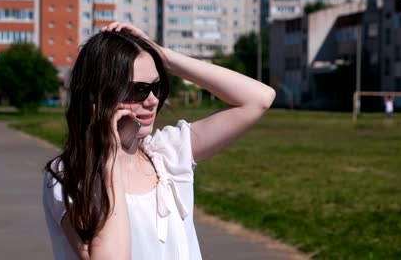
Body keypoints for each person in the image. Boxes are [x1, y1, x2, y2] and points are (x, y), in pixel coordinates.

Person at [42, 23, 276, 260]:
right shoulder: (70, 176)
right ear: (99, 95)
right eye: (138, 89)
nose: (152, 100)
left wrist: (162, 55)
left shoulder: (166, 155)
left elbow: (258, 98)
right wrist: (111, 157)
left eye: (156, 86)